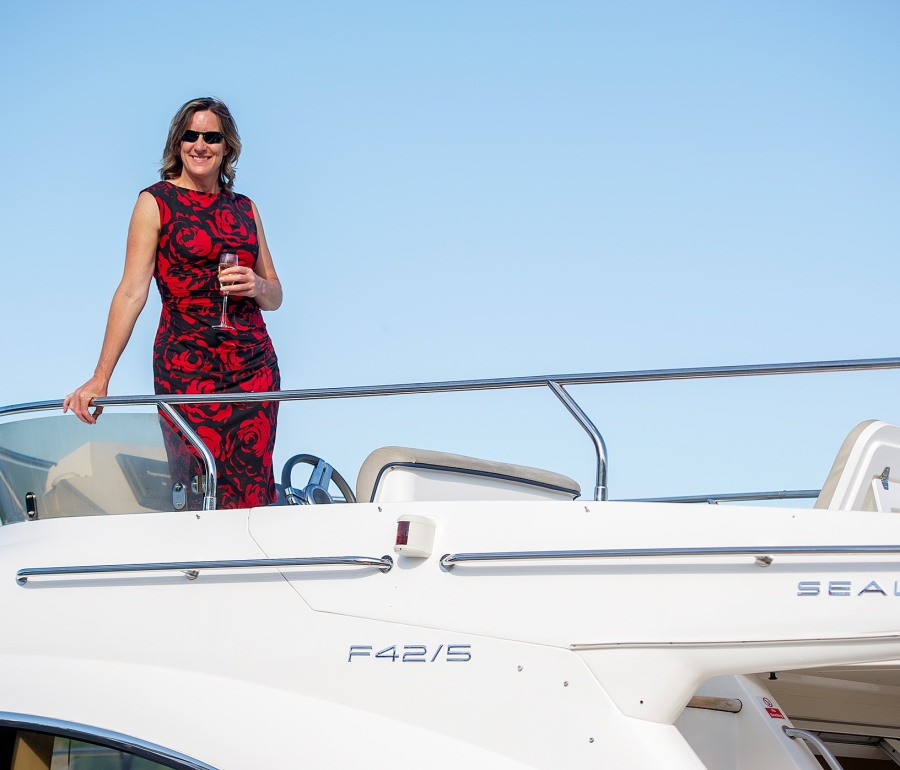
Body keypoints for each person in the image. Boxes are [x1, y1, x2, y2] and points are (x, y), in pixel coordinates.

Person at [64, 97, 282, 508]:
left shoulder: (245, 208)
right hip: (185, 369)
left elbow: (275, 294)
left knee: (253, 492)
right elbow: (132, 291)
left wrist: (255, 284)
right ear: (178, 143)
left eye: (212, 136)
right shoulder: (155, 202)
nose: (200, 145)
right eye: (190, 135)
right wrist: (100, 377)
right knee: (197, 489)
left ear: (227, 146)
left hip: (253, 369)